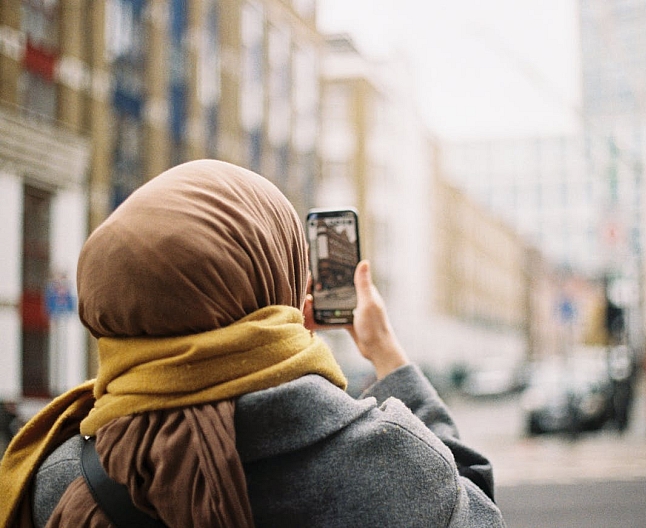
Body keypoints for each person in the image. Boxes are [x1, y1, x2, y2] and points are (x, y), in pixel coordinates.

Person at [0, 159, 505, 527]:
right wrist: (387, 355)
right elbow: (477, 511)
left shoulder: (57, 478)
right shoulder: (396, 462)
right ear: (273, 284)